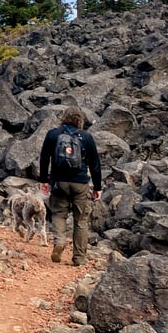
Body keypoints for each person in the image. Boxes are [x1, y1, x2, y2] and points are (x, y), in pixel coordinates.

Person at [38, 105, 102, 266]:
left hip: (59, 182)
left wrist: (44, 181)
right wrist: (97, 187)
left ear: (63, 118)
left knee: (59, 214)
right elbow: (95, 164)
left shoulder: (53, 134)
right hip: (80, 183)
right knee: (80, 220)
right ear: (80, 120)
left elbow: (44, 158)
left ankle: (59, 242)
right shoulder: (86, 137)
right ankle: (79, 258)